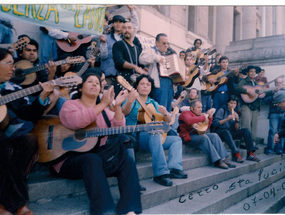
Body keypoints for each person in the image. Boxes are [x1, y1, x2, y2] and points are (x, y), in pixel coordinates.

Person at [57, 71, 142, 215]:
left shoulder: (104, 110)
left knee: (125, 157)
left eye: (97, 82)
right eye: (90, 81)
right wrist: (103, 104)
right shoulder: (70, 105)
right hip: (68, 159)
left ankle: (129, 209)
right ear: (80, 88)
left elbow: (119, 129)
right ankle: (105, 211)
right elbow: (76, 121)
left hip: (97, 159)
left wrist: (118, 106)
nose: (95, 84)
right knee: (92, 159)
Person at [0, 48, 54, 215]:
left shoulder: (13, 88)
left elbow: (29, 115)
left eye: (13, 64)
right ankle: (8, 204)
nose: (13, 68)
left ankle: (17, 203)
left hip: (7, 133)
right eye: (8, 63)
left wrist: (43, 96)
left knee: (28, 140)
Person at [122, 74, 187, 187]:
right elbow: (124, 113)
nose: (145, 86)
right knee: (155, 133)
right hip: (136, 136)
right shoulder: (131, 99)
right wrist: (129, 101)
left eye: (148, 84)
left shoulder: (153, 102)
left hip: (153, 136)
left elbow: (168, 121)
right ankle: (160, 174)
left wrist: (166, 113)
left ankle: (175, 168)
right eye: (142, 84)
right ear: (136, 86)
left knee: (176, 140)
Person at [178, 100, 236, 169]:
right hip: (188, 137)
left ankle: (223, 158)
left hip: (197, 134)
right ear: (191, 108)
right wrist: (204, 117)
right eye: (198, 107)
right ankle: (217, 160)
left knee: (214, 135)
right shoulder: (185, 113)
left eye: (201, 107)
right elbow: (189, 120)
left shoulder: (199, 115)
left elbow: (204, 129)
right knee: (204, 137)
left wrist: (210, 118)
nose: (200, 109)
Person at [212, 95, 260, 163]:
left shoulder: (235, 112)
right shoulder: (222, 110)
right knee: (226, 131)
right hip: (221, 133)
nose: (232, 105)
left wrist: (237, 120)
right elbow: (215, 123)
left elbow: (237, 129)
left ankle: (250, 153)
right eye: (231, 103)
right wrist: (226, 119)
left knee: (246, 131)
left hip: (230, 133)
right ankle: (236, 154)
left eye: (234, 103)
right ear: (228, 103)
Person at [100, 5, 140, 86]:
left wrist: (132, 11)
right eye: (116, 22)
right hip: (109, 75)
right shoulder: (106, 38)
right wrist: (103, 43)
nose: (118, 24)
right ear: (113, 24)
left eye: (120, 22)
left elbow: (135, 26)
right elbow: (103, 56)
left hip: (123, 76)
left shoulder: (127, 38)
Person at [236, 65, 274, 145]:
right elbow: (238, 88)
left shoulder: (256, 84)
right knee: (246, 125)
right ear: (247, 73)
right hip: (246, 106)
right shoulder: (244, 81)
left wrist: (273, 91)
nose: (253, 73)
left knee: (254, 127)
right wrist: (248, 91)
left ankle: (252, 143)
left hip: (255, 107)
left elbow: (263, 93)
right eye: (251, 71)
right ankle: (244, 143)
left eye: (254, 72)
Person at [139, 33, 176, 112]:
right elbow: (142, 59)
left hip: (169, 84)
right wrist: (155, 57)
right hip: (159, 84)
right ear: (157, 43)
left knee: (167, 111)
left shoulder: (169, 53)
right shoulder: (151, 50)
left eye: (167, 43)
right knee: (160, 110)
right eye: (164, 43)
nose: (166, 45)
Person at [112, 21, 147, 95]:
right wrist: (134, 67)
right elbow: (119, 62)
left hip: (136, 83)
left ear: (134, 31)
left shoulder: (138, 48)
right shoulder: (118, 44)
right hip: (122, 82)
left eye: (129, 28)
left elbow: (141, 65)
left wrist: (145, 69)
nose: (127, 30)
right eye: (124, 28)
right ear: (121, 31)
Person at [265, 77, 285, 155]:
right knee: (272, 131)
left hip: (283, 113)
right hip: (274, 113)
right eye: (277, 82)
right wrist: (273, 94)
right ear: (275, 83)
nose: (278, 84)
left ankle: (279, 149)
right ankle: (270, 148)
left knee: (282, 131)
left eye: (280, 82)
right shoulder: (271, 91)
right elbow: (265, 101)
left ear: (282, 83)